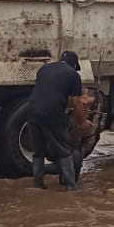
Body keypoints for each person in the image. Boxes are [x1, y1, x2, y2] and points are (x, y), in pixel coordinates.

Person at [28, 51, 91, 191]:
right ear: (74, 64)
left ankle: (37, 185)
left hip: (32, 113)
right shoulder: (73, 75)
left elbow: (50, 91)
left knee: (38, 152)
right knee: (64, 152)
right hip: (53, 115)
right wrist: (82, 122)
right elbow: (76, 103)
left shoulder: (44, 69)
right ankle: (71, 187)